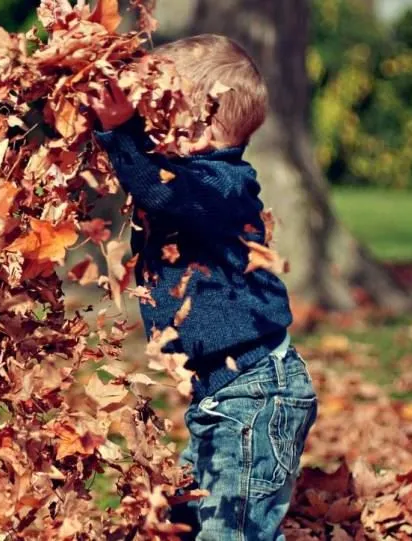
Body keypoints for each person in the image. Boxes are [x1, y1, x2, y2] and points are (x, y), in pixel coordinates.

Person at [90, 34, 318, 540]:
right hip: (223, 398)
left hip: (255, 398)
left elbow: (158, 190)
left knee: (231, 534)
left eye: (158, 113)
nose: (146, 126)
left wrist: (119, 131)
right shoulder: (192, 180)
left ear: (199, 131)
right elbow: (148, 176)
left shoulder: (221, 186)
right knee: (190, 519)